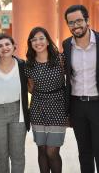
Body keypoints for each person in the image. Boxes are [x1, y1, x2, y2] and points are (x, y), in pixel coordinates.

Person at [62, 4, 99, 173]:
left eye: (79, 20)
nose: (75, 25)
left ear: (87, 20)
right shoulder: (66, 45)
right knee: (84, 152)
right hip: (77, 105)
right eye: (71, 23)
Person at [25, 27, 68, 173]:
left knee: (52, 151)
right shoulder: (29, 64)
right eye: (34, 40)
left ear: (48, 41)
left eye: (41, 38)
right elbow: (30, 88)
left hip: (58, 108)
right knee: (41, 149)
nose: (38, 42)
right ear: (30, 43)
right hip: (38, 108)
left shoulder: (60, 59)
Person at [0, 33, 30, 173]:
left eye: (7, 44)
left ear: (14, 47)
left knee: (18, 154)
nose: (4, 48)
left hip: (18, 112)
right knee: (1, 154)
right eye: (0, 46)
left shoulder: (22, 65)